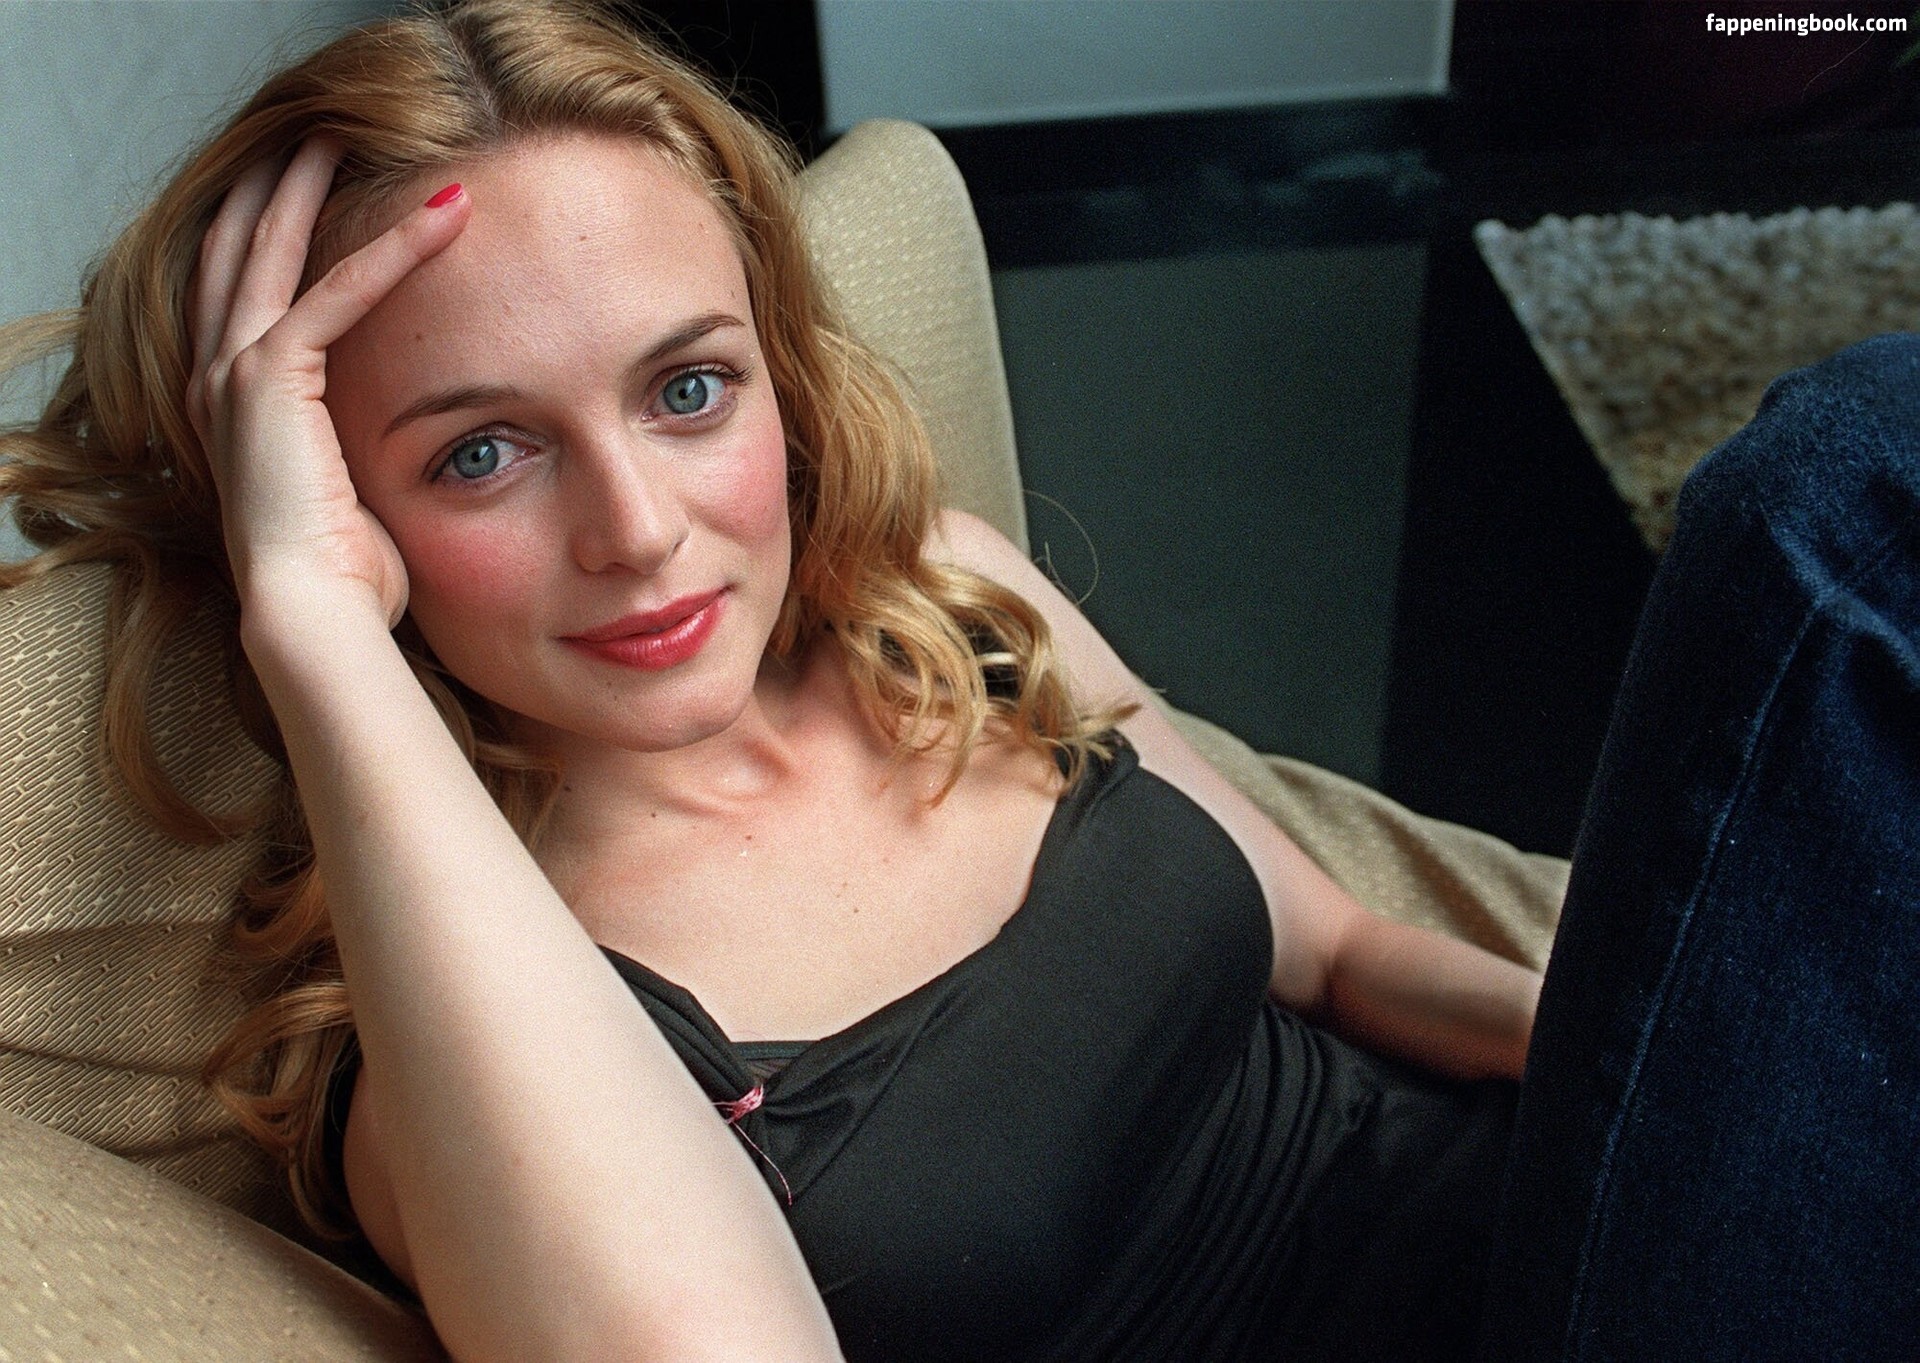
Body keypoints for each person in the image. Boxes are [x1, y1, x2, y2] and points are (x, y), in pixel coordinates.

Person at [0, 2, 1912, 1360]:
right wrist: (316, 629)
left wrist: (1713, 1084)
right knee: (1836, 502)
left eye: (689, 388)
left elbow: (1334, 952)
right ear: (342, 507)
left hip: (1617, 1217)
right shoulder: (464, 1050)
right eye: (480, 453)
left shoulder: (940, 598)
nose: (643, 532)